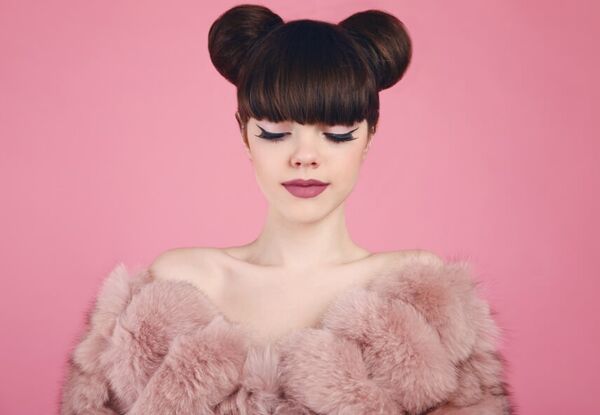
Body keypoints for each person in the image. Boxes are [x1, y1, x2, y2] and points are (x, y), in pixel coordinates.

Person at [59, 4, 514, 414]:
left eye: (337, 134)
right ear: (244, 135)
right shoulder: (178, 285)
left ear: (369, 137)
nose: (305, 156)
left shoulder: (416, 293)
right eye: (275, 133)